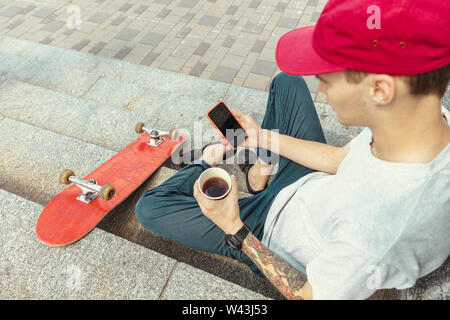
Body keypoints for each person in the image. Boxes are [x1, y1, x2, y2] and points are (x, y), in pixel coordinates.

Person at [135, 0, 449, 299]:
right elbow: (339, 159)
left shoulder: (378, 232)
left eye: (326, 79)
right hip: (310, 185)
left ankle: (207, 162)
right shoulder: (420, 116)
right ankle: (261, 173)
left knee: (150, 207)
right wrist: (260, 138)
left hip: (266, 228)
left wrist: (234, 227)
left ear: (380, 89)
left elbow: (309, 294)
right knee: (288, 82)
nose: (321, 89)